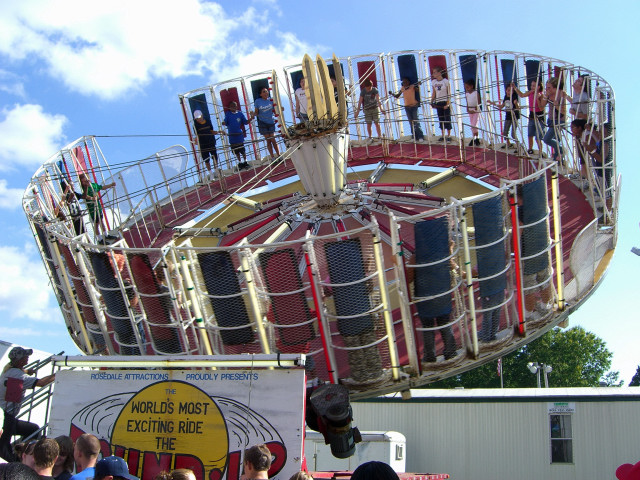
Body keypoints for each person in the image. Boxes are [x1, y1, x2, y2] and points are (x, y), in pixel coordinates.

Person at [0, 347, 55, 462]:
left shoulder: (9, 371)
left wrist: (27, 371)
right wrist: (59, 374)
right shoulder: (19, 376)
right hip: (6, 418)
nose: (28, 357)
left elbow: (18, 372)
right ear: (20, 361)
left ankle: (19, 453)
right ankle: (15, 465)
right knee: (3, 449)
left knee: (32, 429)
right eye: (25, 356)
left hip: (6, 416)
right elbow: (41, 382)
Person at [514, 79, 547, 154]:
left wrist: (538, 98)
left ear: (538, 87)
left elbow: (541, 107)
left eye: (534, 86)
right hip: (532, 116)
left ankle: (540, 152)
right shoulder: (530, 93)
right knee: (530, 134)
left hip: (539, 117)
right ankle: (530, 149)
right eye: (531, 86)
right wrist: (515, 88)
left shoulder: (541, 95)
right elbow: (522, 95)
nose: (532, 87)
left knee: (538, 137)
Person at [488, 82, 520, 150]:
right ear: (506, 91)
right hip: (508, 116)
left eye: (511, 90)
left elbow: (518, 108)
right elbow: (501, 106)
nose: (509, 92)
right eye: (508, 90)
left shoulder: (514, 97)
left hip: (514, 116)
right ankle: (509, 144)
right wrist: (492, 103)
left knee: (513, 134)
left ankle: (518, 146)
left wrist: (516, 104)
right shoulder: (505, 97)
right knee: (504, 133)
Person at [252, 87, 280, 160]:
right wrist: (253, 114)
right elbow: (256, 112)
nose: (265, 93)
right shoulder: (258, 101)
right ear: (261, 94)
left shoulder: (271, 100)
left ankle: (278, 155)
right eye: (263, 92)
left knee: (273, 139)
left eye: (266, 91)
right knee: (268, 140)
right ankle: (272, 157)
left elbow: (275, 110)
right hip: (262, 123)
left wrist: (280, 109)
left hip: (271, 121)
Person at [543, 77, 566, 164]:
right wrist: (545, 97)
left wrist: (556, 105)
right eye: (546, 87)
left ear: (555, 88)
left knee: (547, 139)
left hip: (559, 120)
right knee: (557, 139)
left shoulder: (561, 94)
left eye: (549, 87)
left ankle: (561, 150)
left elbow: (563, 110)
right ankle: (558, 159)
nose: (547, 89)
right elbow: (541, 106)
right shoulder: (549, 95)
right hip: (551, 119)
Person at [222, 101, 251, 171]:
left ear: (236, 106)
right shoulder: (228, 114)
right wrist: (223, 123)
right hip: (232, 136)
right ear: (229, 107)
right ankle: (240, 162)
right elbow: (225, 122)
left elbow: (246, 122)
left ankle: (245, 161)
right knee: (236, 151)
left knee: (242, 150)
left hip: (239, 135)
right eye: (232, 106)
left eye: (234, 106)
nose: (233, 108)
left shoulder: (240, 114)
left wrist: (251, 118)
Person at [192, 110, 220, 179]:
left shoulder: (208, 121)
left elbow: (211, 130)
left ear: (202, 116)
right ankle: (211, 173)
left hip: (211, 142)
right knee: (206, 160)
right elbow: (197, 135)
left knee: (214, 157)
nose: (198, 119)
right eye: (197, 118)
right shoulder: (195, 125)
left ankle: (216, 170)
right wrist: (196, 140)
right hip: (203, 145)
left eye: (199, 117)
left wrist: (217, 132)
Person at [430, 66, 452, 141]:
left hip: (445, 101)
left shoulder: (445, 81)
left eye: (435, 72)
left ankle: (448, 136)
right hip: (438, 102)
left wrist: (448, 103)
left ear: (439, 73)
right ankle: (443, 135)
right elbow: (434, 93)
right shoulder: (434, 82)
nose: (433, 74)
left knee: (447, 118)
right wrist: (431, 101)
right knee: (441, 118)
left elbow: (449, 93)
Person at [464, 78, 482, 146]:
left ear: (471, 86)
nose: (467, 89)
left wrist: (476, 108)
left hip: (476, 111)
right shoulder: (467, 94)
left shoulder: (475, 93)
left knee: (473, 125)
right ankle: (476, 138)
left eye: (468, 87)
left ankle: (475, 138)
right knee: (472, 124)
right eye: (466, 87)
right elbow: (468, 102)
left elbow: (479, 102)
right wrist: (468, 109)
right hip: (470, 111)